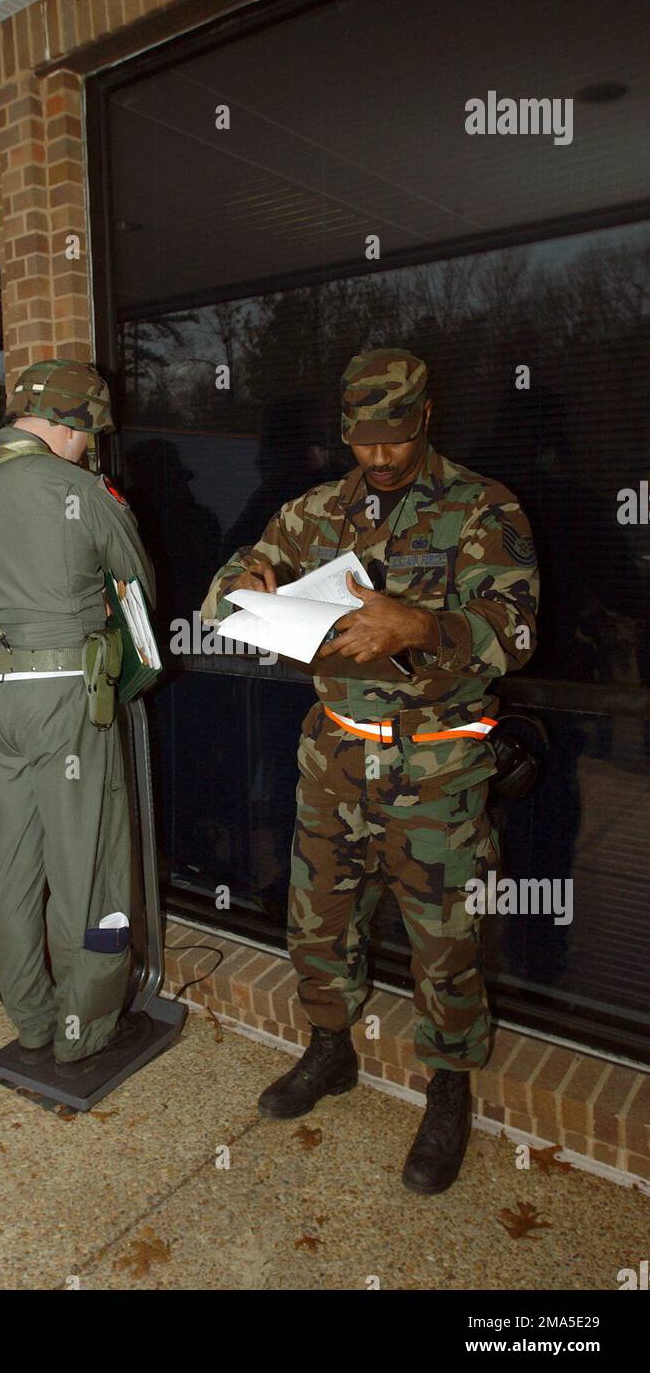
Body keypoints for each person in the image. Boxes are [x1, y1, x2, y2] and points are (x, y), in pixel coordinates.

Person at [201, 348, 539, 1194]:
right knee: (318, 922)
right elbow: (221, 602)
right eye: (362, 439)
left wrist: (420, 628)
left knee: (446, 940)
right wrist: (245, 580)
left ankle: (449, 1088)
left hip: (436, 764)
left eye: (392, 438)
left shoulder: (482, 507)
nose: (378, 456)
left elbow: (517, 633)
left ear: (424, 419)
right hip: (333, 757)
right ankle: (329, 1050)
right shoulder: (315, 509)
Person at [0, 359, 155, 1077]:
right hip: (64, 695)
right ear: (67, 424)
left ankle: (30, 1022)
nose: (89, 446)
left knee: (17, 866)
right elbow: (137, 590)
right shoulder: (74, 489)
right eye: (88, 433)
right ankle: (82, 1030)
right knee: (86, 866)